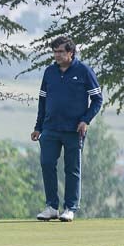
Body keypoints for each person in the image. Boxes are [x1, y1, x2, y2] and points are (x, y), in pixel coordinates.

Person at [30, 35, 103, 222]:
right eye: (54, 52)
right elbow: (43, 101)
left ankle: (70, 208)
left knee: (72, 169)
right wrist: (38, 127)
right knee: (47, 165)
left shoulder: (84, 71)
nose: (57, 55)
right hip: (50, 128)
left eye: (61, 51)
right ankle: (52, 207)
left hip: (74, 130)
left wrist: (85, 120)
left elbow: (97, 99)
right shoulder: (49, 72)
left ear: (71, 52)